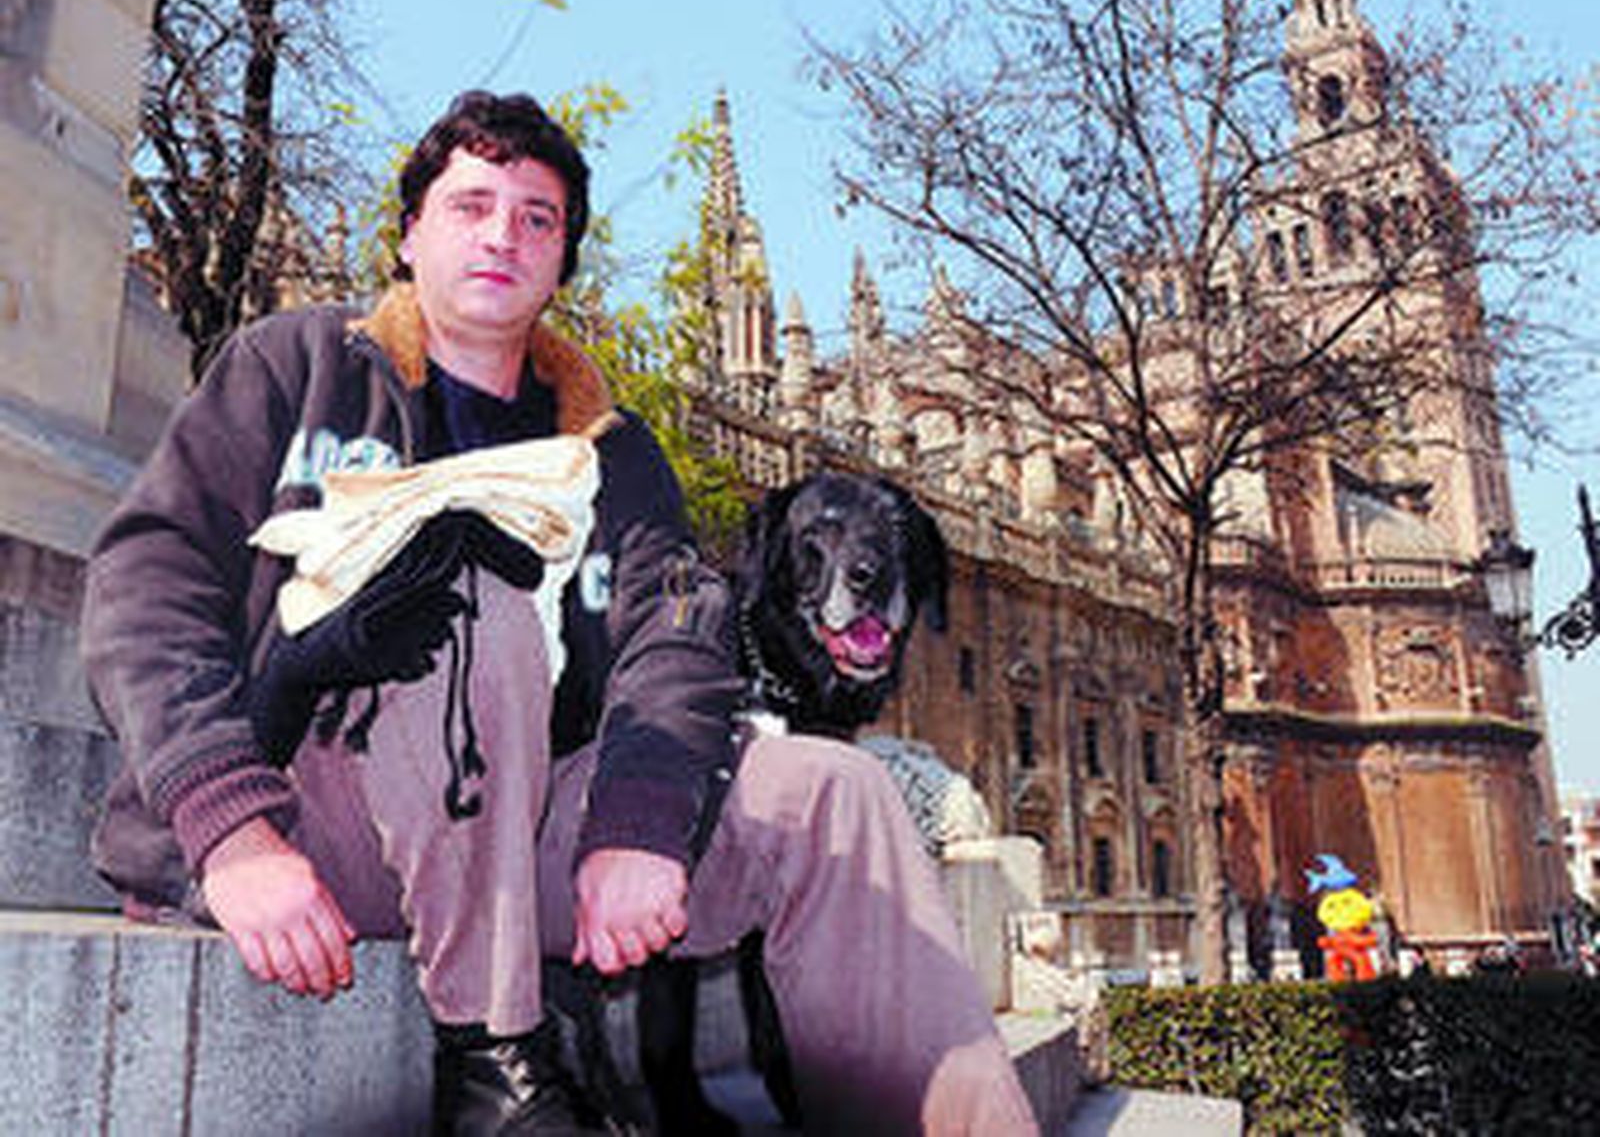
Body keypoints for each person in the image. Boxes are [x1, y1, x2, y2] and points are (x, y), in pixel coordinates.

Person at [83, 90, 1038, 1136]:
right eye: (472, 204)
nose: (503, 233)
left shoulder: (613, 452)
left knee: (837, 793)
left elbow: (679, 641)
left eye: (537, 217)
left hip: (524, 831)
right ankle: (497, 1060)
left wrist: (638, 820)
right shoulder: (293, 365)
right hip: (307, 815)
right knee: (468, 568)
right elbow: (147, 581)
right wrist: (233, 830)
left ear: (562, 260)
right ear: (409, 234)